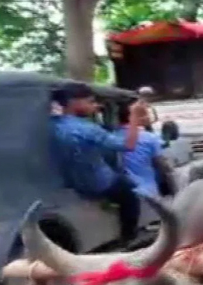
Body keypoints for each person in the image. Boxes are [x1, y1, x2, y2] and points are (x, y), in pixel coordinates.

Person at [50, 83, 148, 241]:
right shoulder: (86, 129)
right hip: (96, 183)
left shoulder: (51, 125)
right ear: (74, 102)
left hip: (67, 182)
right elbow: (128, 145)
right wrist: (134, 117)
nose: (95, 106)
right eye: (90, 101)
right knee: (129, 192)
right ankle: (128, 238)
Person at [116, 104, 177, 198]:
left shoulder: (110, 136)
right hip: (147, 194)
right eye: (142, 114)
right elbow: (162, 166)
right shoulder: (149, 138)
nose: (147, 117)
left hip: (118, 193)